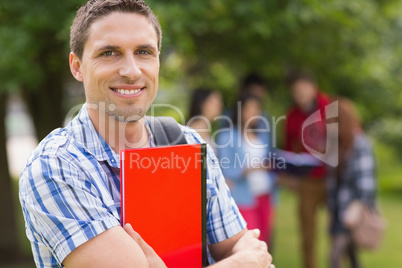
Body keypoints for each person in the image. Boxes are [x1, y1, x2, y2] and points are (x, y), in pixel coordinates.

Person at [18, 1, 274, 267]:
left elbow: (239, 243)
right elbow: (250, 257)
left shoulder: (188, 143)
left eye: (143, 52)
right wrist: (242, 263)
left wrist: (245, 256)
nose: (131, 71)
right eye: (109, 53)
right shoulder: (55, 167)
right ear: (77, 66)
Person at [216, 93, 277, 248]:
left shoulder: (262, 136)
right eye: (249, 108)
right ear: (239, 110)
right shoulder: (226, 136)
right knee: (250, 243)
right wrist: (252, 169)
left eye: (257, 109)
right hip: (242, 196)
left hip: (265, 193)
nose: (254, 113)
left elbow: (269, 161)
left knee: (264, 242)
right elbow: (225, 169)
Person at [284, 70, 330, 268]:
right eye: (296, 91)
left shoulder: (329, 108)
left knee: (339, 228)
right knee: (308, 232)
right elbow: (288, 147)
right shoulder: (292, 115)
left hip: (331, 177)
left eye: (303, 89)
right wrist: (290, 175)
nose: (300, 94)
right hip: (306, 179)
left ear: (313, 87)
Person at [326, 97, 377, 268]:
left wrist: (357, 206)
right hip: (339, 209)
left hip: (351, 210)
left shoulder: (360, 143)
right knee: (352, 256)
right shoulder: (338, 144)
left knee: (334, 256)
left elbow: (366, 180)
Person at [187, 88, 223, 154]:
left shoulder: (206, 131)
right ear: (202, 104)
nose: (220, 107)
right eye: (215, 104)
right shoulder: (193, 131)